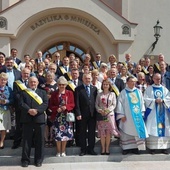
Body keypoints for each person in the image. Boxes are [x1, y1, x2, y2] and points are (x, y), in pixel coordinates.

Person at [20, 77, 48, 167]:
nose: (33, 83)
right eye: (31, 82)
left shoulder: (43, 92)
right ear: (28, 82)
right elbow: (21, 103)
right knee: (26, 141)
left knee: (40, 141)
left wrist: (37, 110)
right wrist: (29, 110)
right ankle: (25, 160)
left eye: (34, 82)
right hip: (27, 118)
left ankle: (39, 160)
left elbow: (45, 104)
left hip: (39, 119)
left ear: (38, 82)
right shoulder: (24, 92)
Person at [116, 76, 148, 155]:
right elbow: (119, 103)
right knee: (126, 131)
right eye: (131, 81)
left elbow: (142, 102)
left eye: (134, 81)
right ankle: (126, 148)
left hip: (137, 116)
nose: (133, 83)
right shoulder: (123, 92)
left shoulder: (138, 91)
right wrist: (121, 115)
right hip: (126, 117)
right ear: (127, 82)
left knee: (136, 132)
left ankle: (135, 148)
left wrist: (142, 113)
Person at [144, 73, 170, 155]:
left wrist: (163, 101)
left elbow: (168, 98)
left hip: (163, 112)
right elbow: (145, 99)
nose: (158, 80)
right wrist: (154, 101)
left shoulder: (165, 89)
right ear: (153, 79)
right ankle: (152, 148)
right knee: (153, 128)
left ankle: (164, 148)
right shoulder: (149, 89)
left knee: (164, 128)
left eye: (159, 79)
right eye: (156, 79)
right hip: (153, 113)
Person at [49, 76, 75, 157]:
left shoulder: (69, 93)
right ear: (57, 85)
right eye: (60, 84)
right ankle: (58, 151)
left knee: (65, 135)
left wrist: (66, 107)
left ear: (66, 85)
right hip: (57, 117)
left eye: (63, 84)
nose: (61, 86)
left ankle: (63, 151)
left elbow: (73, 104)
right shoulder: (54, 94)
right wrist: (57, 109)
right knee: (58, 135)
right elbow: (50, 105)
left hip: (66, 117)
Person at [75, 73, 98, 156]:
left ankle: (91, 149)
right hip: (82, 115)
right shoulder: (78, 89)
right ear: (83, 79)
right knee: (82, 133)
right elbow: (76, 102)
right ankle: (83, 149)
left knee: (92, 133)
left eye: (89, 78)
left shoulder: (94, 89)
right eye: (86, 78)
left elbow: (96, 101)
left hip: (92, 114)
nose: (87, 80)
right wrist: (78, 113)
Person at [95, 79, 119, 155]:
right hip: (101, 115)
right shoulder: (99, 94)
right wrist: (100, 110)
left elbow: (114, 104)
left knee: (108, 132)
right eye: (104, 84)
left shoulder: (112, 94)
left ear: (109, 86)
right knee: (102, 132)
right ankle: (103, 149)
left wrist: (108, 110)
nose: (105, 86)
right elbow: (96, 104)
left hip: (109, 115)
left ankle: (107, 148)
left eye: (107, 84)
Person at [11, 68, 31, 149]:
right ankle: (17, 142)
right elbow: (17, 95)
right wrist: (24, 103)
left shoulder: (31, 82)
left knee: (29, 126)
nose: (26, 75)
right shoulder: (16, 83)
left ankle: (29, 142)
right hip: (20, 107)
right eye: (24, 73)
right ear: (21, 73)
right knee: (19, 125)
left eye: (27, 73)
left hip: (29, 107)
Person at [40, 71, 57, 148]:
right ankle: (46, 139)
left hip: (53, 106)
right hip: (44, 106)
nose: (50, 77)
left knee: (52, 123)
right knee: (46, 123)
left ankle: (52, 138)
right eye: (48, 76)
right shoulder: (42, 86)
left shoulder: (57, 85)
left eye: (51, 76)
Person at [0, 73, 13, 149]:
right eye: (2, 79)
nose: (3, 81)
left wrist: (7, 101)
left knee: (3, 127)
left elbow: (12, 100)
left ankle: (2, 141)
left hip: (5, 109)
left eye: (5, 80)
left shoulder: (9, 89)